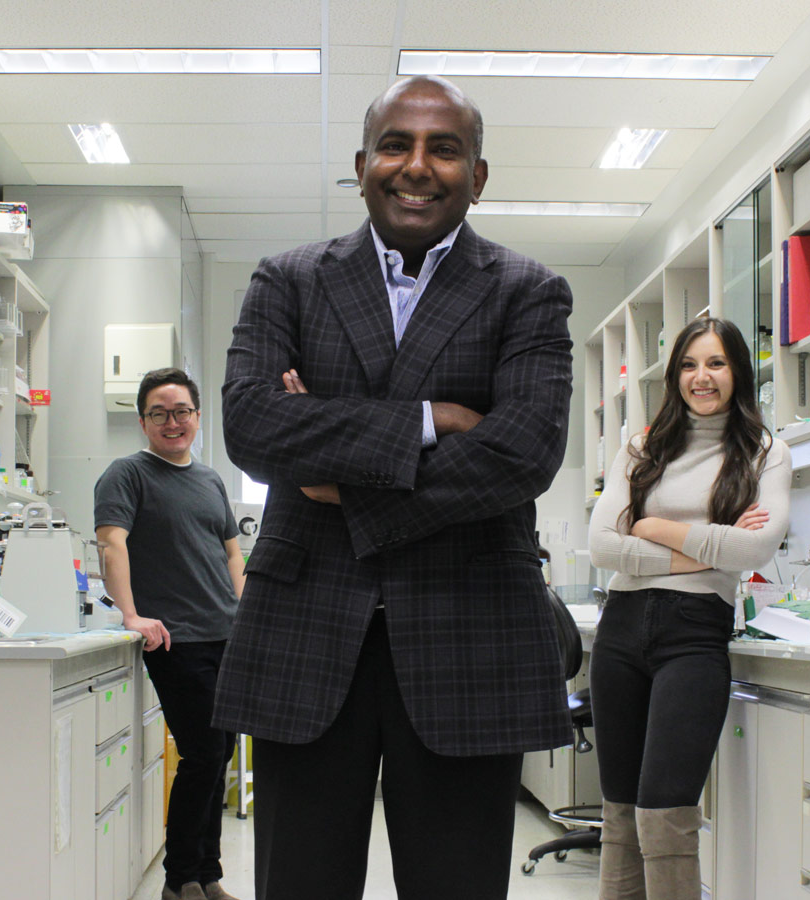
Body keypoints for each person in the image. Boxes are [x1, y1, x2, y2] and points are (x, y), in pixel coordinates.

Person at [215, 75, 574, 899]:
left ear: (477, 175)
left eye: (444, 149)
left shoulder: (527, 291)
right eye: (396, 145)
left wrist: (341, 480)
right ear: (363, 164)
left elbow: (523, 453)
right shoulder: (289, 279)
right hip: (306, 628)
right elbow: (254, 426)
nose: (417, 166)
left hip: (469, 632)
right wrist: (432, 419)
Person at [587, 317, 792, 899]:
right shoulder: (640, 448)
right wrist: (707, 548)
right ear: (675, 374)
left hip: (693, 637)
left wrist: (651, 526)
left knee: (666, 811)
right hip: (621, 632)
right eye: (689, 364)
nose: (702, 377)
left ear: (738, 373)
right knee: (621, 814)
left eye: (717, 363)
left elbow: (755, 547)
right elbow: (603, 546)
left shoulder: (764, 452)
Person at [94, 367, 247, 900]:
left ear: (198, 418)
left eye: (181, 411)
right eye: (159, 413)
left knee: (219, 753)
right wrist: (130, 614)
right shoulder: (127, 474)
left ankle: (208, 875)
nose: (172, 422)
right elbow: (112, 543)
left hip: (224, 634)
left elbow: (231, 551)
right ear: (143, 422)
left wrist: (243, 611)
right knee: (204, 753)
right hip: (174, 638)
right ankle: (180, 879)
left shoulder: (209, 481)